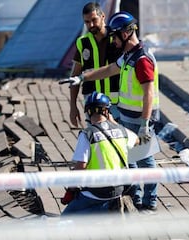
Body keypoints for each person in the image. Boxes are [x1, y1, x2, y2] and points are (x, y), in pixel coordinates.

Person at [61, 11, 160, 212]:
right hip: (127, 116)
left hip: (140, 118)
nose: (113, 41)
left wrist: (145, 124)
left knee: (146, 162)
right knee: (130, 160)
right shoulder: (129, 56)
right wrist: (82, 78)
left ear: (125, 34)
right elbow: (109, 69)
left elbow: (148, 93)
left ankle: (150, 203)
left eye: (115, 36)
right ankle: (136, 198)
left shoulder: (142, 60)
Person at [61, 92, 139, 215]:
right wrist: (114, 123)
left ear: (88, 112)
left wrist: (71, 190)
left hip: (95, 191)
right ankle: (113, 207)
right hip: (119, 189)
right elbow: (137, 140)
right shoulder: (121, 130)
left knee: (67, 217)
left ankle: (108, 209)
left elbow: (81, 166)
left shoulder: (87, 135)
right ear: (107, 112)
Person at [64, 2, 122, 128]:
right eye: (87, 22)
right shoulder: (82, 42)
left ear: (103, 17)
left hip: (117, 102)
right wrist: (73, 106)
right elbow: (75, 75)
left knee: (120, 140)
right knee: (96, 141)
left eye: (94, 20)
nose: (91, 25)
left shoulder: (117, 38)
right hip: (93, 103)